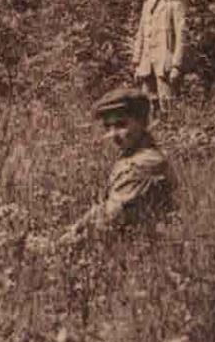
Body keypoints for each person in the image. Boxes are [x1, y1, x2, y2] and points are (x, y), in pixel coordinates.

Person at [57, 86, 176, 247]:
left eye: (121, 125)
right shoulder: (133, 153)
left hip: (138, 250)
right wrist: (75, 228)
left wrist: (58, 247)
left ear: (143, 122)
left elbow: (108, 221)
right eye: (107, 127)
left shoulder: (143, 164)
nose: (113, 135)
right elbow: (104, 207)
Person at [131, 0, 186, 113]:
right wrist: (136, 62)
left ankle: (170, 133)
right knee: (147, 104)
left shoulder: (175, 4)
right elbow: (141, 33)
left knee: (167, 104)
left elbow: (181, 38)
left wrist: (176, 65)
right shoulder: (147, 4)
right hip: (146, 63)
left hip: (164, 64)